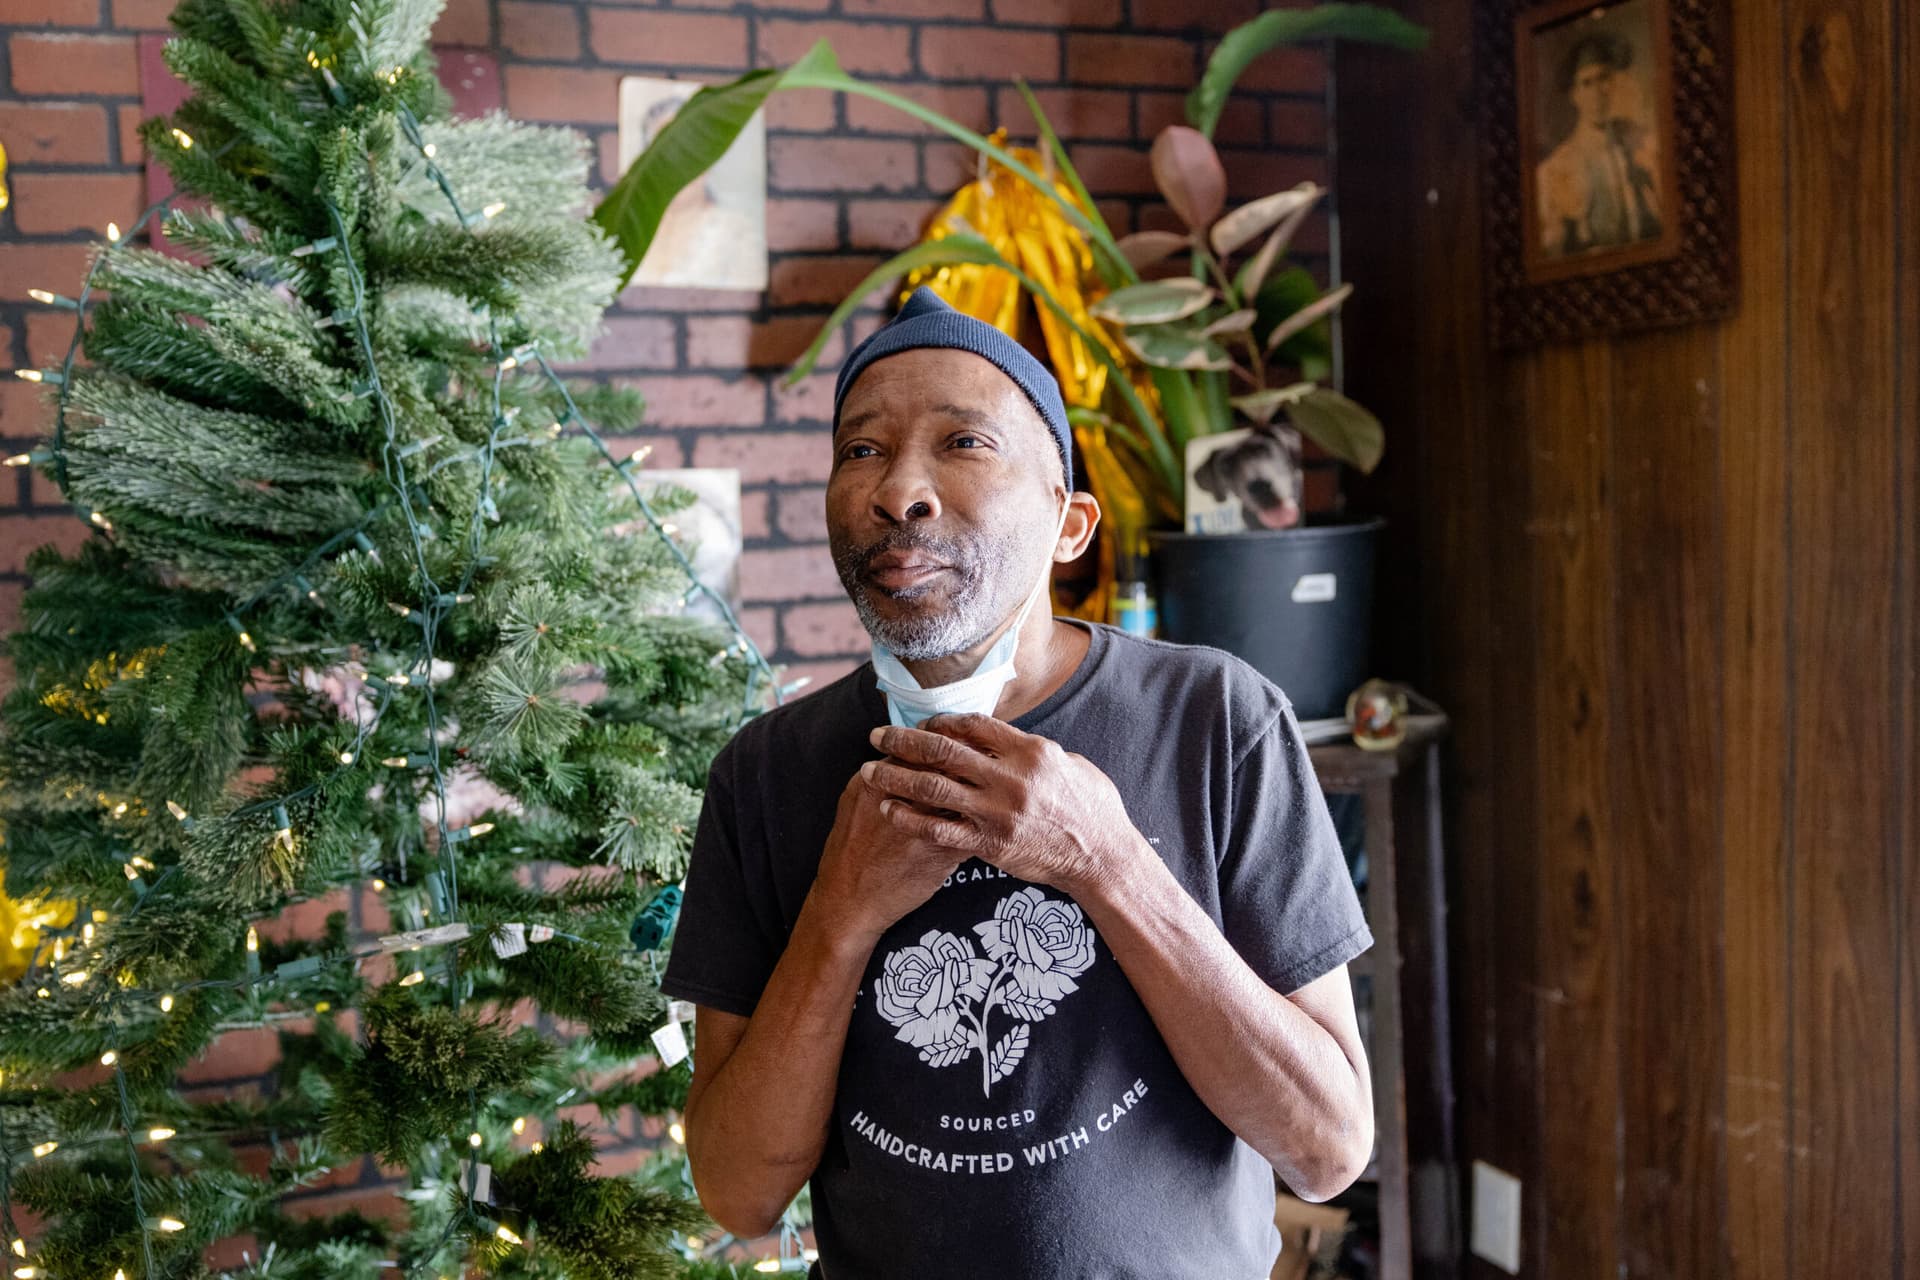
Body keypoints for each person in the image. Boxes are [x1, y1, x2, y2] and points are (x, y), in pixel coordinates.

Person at [659, 287, 1375, 1279]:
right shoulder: (766, 772)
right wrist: (840, 912)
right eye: (861, 449)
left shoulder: (1217, 718)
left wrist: (1109, 863)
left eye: (964, 442)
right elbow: (738, 1191)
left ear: (1070, 522)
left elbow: (1329, 1146)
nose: (898, 489)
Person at [1536, 29, 1663, 257]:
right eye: (1587, 83)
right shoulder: (1554, 171)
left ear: (1613, 82)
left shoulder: (1642, 147)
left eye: (1603, 78)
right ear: (1574, 94)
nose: (1598, 93)